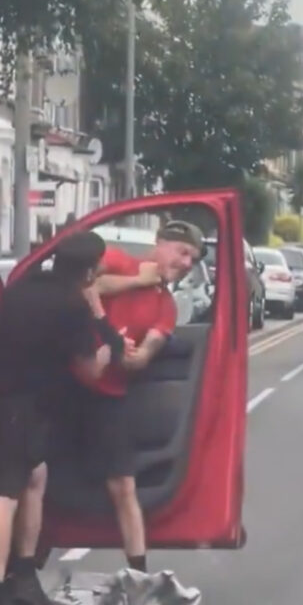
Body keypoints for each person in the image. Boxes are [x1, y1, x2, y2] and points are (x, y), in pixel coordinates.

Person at [0, 230, 127, 605]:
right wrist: (109, 336)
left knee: (35, 481)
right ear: (90, 271)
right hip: (24, 407)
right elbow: (92, 368)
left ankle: (23, 575)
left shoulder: (22, 287)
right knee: (3, 496)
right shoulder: (71, 305)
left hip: (9, 398)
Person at [73, 219, 205, 574]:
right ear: (160, 243)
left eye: (192, 259)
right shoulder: (117, 260)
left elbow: (148, 352)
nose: (186, 263)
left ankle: (139, 572)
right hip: (68, 384)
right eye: (182, 252)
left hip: (109, 394)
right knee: (36, 478)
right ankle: (23, 569)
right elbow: (83, 287)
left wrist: (133, 357)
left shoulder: (168, 307)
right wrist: (137, 281)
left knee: (124, 485)